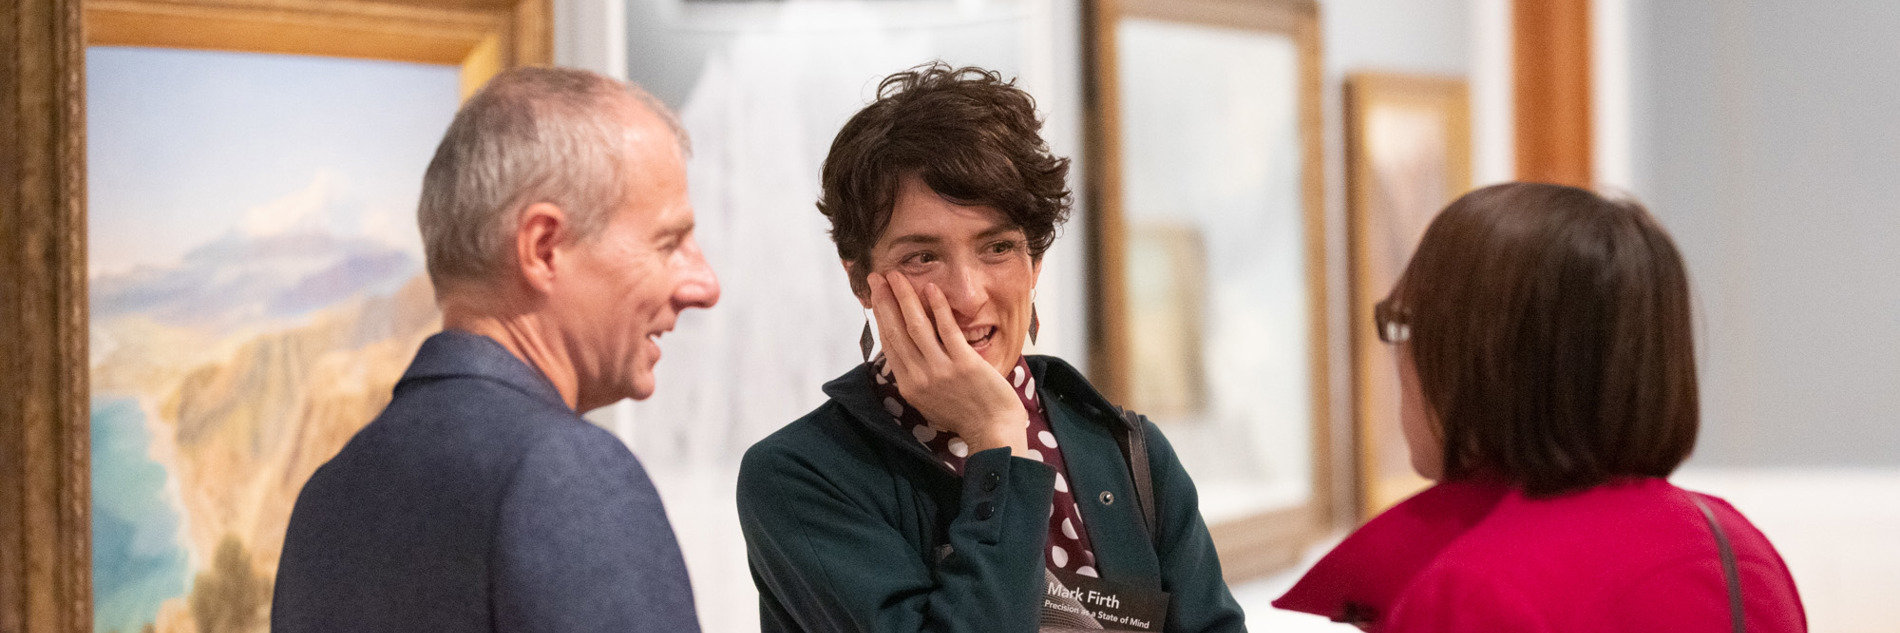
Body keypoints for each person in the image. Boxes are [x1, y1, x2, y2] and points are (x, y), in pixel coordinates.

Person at [735, 63, 1247, 633]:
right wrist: (998, 444)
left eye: (997, 247)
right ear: (861, 280)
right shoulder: (799, 476)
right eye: (922, 257)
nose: (967, 294)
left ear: (1036, 264)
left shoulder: (1124, 448)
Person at [272, 66, 719, 632]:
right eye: (669, 242)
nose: (704, 284)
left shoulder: (330, 497)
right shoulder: (566, 476)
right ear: (543, 248)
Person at [1273, 183, 1806, 631]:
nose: (1397, 357)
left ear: (1480, 359)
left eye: (1404, 322)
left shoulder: (1474, 592)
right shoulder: (1737, 548)